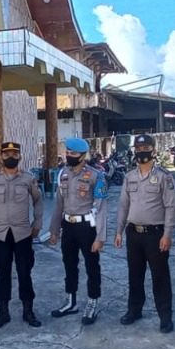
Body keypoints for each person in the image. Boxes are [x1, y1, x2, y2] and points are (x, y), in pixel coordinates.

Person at [114, 134, 175, 333]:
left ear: (154, 151)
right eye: (138, 149)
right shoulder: (129, 176)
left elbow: (171, 207)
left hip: (155, 235)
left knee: (160, 277)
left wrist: (167, 234)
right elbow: (123, 206)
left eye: (145, 148)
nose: (141, 152)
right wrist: (119, 231)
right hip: (134, 234)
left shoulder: (164, 176)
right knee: (135, 275)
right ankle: (134, 310)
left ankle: (165, 317)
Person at [0, 141, 44, 330]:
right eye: (6, 154)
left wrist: (37, 224)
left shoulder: (28, 178)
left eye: (14, 154)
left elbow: (38, 200)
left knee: (25, 272)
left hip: (23, 233)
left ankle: (28, 312)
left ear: (19, 156)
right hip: (0, 234)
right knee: (3, 274)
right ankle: (3, 313)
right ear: (0, 157)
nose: (10, 157)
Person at [48, 137, 108, 325]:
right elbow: (59, 204)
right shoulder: (62, 174)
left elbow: (101, 208)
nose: (69, 156)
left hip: (86, 228)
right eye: (67, 153)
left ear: (83, 156)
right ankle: (70, 301)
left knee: (92, 266)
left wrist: (100, 236)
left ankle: (92, 302)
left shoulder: (96, 176)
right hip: (68, 226)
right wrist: (54, 230)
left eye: (73, 153)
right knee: (69, 264)